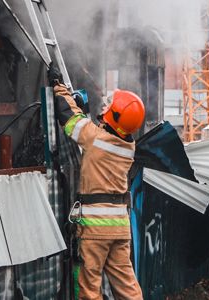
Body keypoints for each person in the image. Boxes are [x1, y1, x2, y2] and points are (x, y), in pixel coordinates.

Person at [48, 65, 145, 299]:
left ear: (114, 117)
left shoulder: (94, 138)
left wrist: (58, 86)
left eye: (109, 109)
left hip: (94, 229)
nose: (105, 109)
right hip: (120, 228)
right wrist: (87, 114)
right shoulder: (127, 146)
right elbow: (102, 132)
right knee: (127, 286)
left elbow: (69, 119)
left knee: (89, 288)